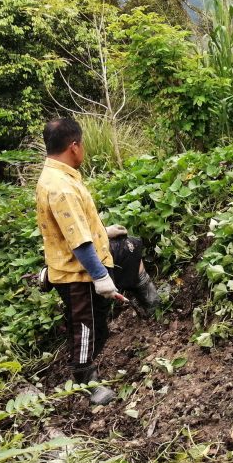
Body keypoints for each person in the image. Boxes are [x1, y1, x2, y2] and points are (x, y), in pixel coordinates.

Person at [35, 118, 159, 405]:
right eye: (83, 145)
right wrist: (101, 278)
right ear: (74, 146)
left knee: (130, 246)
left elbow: (73, 228)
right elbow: (79, 242)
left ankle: (150, 302)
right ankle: (85, 382)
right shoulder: (61, 187)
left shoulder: (57, 175)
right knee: (89, 327)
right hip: (77, 273)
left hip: (87, 256)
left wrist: (104, 232)